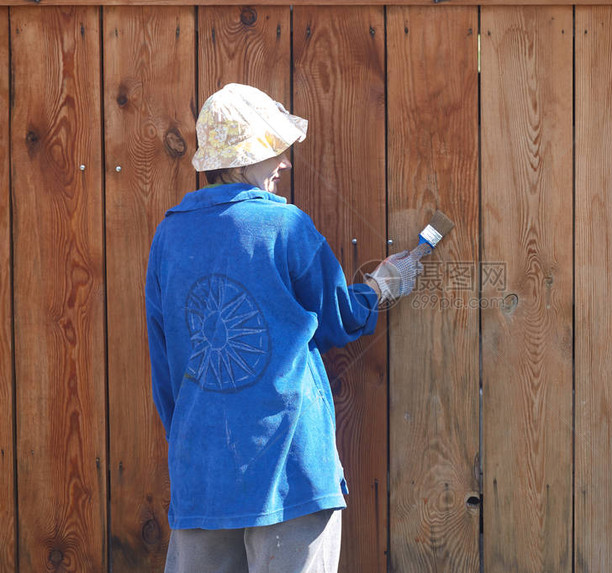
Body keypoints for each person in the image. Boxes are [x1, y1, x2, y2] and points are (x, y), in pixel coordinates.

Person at [145, 83, 419, 572]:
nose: (284, 163)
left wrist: (195, 442)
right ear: (244, 157)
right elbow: (341, 318)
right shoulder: (285, 226)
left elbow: (166, 367)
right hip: (288, 474)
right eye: (275, 149)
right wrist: (382, 285)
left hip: (201, 479)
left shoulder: (169, 234)